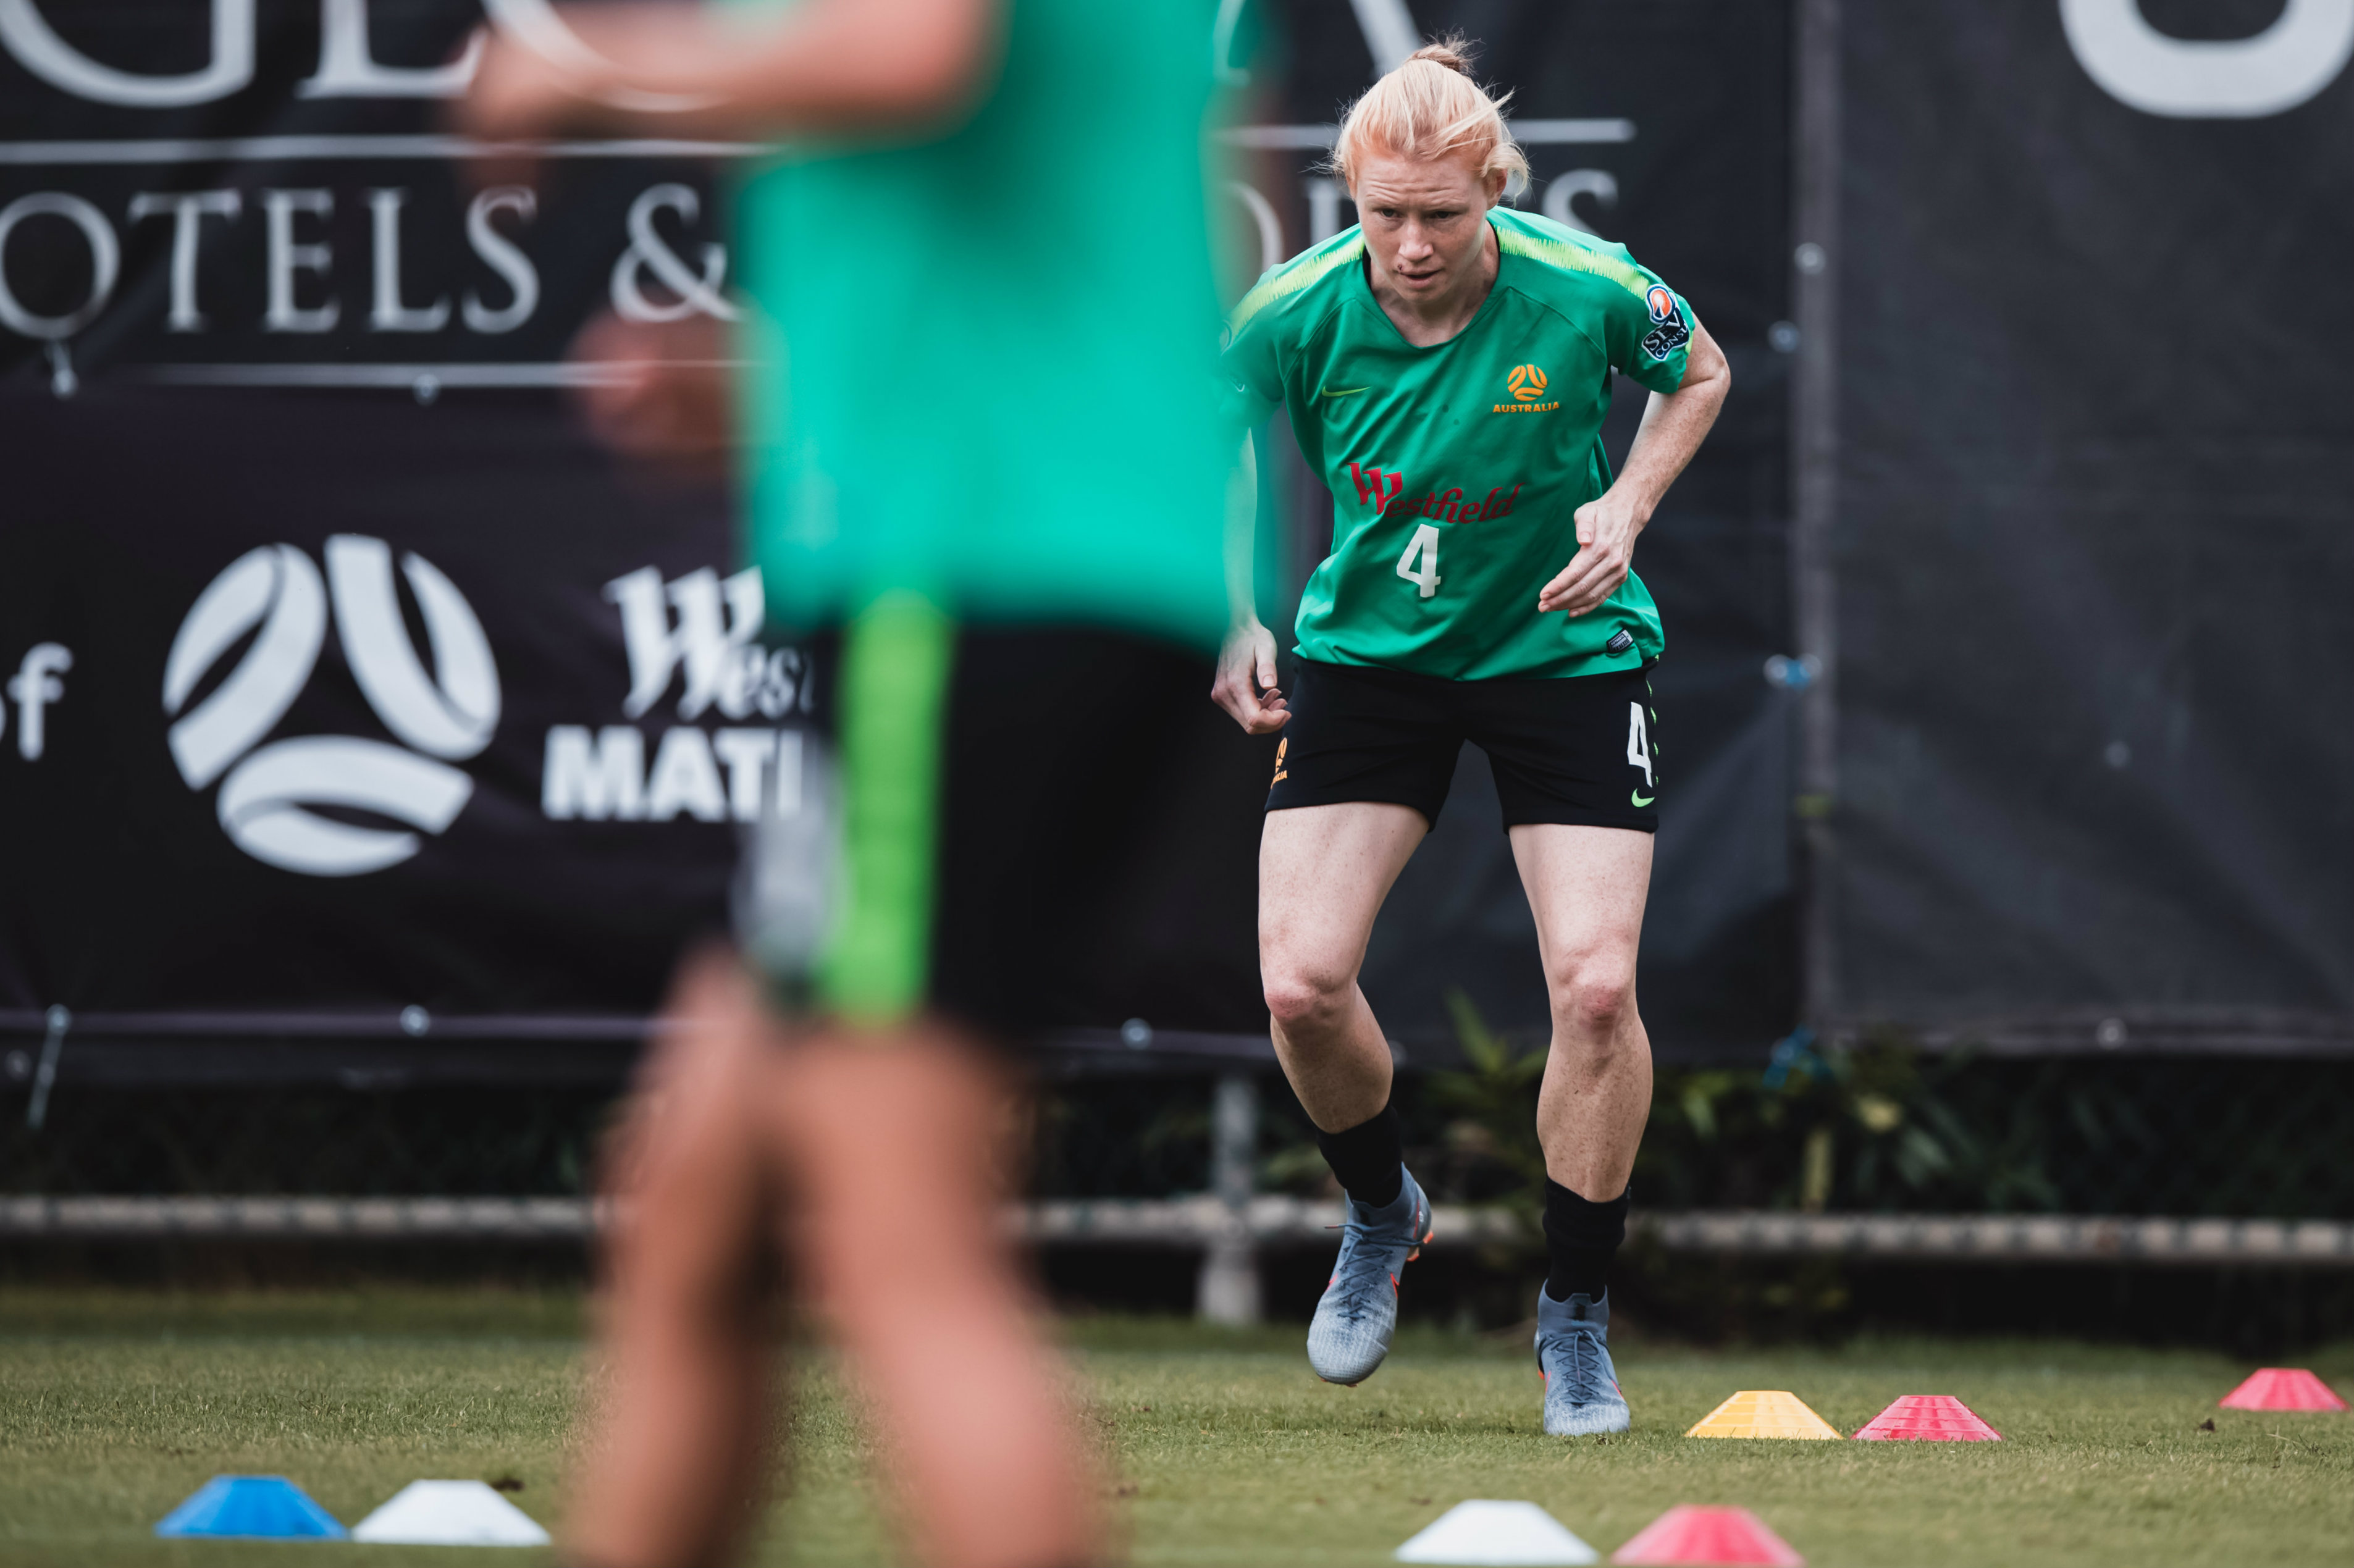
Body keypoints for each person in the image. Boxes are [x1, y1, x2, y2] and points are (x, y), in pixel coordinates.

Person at [462, 1, 1234, 1564]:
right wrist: (787, 390)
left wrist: (585, 67)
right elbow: (1111, 235)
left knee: (889, 1230)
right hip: (1043, 556)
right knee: (698, 1205)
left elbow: (906, 60)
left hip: (967, 581)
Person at [1213, 40, 1730, 1436]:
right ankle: (1384, 1214)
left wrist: (1623, 508)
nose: (1413, 243)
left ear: (1495, 192)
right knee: (1303, 987)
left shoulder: (1585, 286)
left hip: (1561, 652)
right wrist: (1238, 611)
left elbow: (1701, 374)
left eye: (1443, 214)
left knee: (1599, 989)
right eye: (1385, 214)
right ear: (1350, 198)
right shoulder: (1295, 308)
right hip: (1368, 662)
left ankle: (1572, 1319)